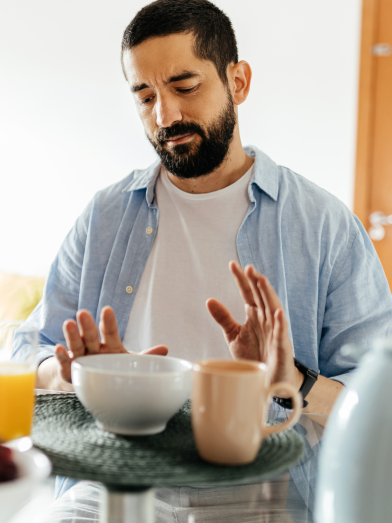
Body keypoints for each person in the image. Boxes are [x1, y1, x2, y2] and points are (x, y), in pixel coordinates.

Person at [14, 0, 391, 421]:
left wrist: (292, 380)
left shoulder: (325, 225)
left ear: (239, 82)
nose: (165, 115)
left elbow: (378, 402)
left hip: (266, 482)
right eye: (145, 96)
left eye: (185, 87)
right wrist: (76, 375)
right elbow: (28, 351)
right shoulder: (105, 215)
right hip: (122, 475)